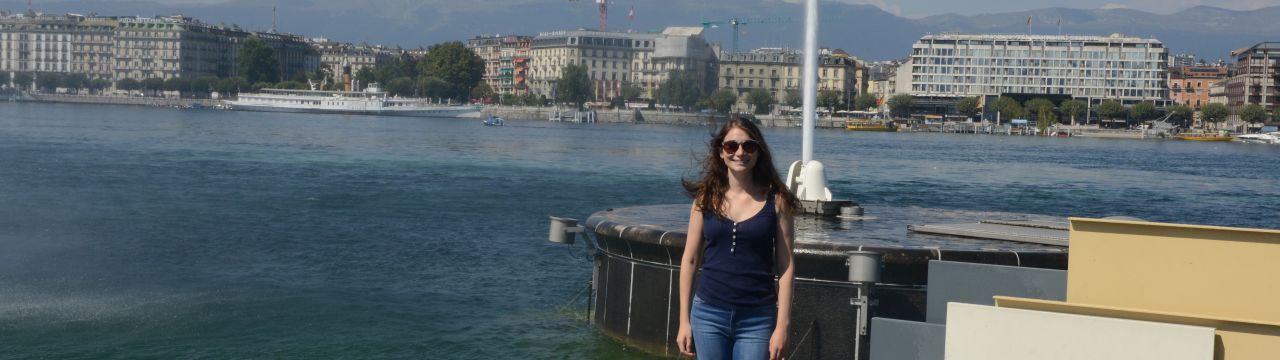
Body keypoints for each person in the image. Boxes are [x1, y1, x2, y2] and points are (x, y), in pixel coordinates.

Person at [676, 116, 799, 360]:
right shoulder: (704, 199)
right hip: (708, 314)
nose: (740, 152)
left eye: (748, 146)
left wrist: (782, 326)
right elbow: (690, 260)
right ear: (721, 152)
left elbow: (785, 267)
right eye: (731, 146)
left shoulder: (776, 201)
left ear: (758, 152)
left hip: (757, 319)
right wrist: (683, 321)